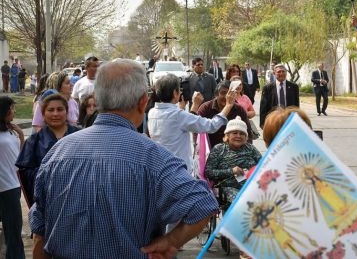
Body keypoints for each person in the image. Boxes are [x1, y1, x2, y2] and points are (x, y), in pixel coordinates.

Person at [28, 59, 218, 259]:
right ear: (143, 102)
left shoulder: (58, 153)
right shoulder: (154, 157)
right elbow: (203, 204)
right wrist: (171, 242)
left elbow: (39, 230)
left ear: (97, 99)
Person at [148, 74, 236, 173]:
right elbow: (211, 126)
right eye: (179, 89)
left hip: (160, 167)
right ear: (175, 92)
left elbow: (174, 124)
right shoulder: (178, 115)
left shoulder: (152, 112)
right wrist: (228, 105)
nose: (181, 92)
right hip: (178, 171)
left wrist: (193, 106)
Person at [17, 93, 81, 206]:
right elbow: (25, 174)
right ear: (43, 114)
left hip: (78, 198)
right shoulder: (33, 142)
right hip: (48, 201)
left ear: (66, 112)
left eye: (60, 109)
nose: (55, 114)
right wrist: (52, 172)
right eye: (50, 110)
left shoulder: (81, 136)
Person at [205, 116, 261, 204]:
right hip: (228, 188)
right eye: (235, 133)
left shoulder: (250, 148)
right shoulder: (219, 149)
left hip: (251, 186)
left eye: (242, 133)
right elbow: (209, 172)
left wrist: (253, 172)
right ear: (227, 135)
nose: (238, 136)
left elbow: (263, 165)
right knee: (241, 202)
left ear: (246, 136)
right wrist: (231, 171)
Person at [0, 96, 25, 259]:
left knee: (13, 230)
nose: (14, 111)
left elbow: (19, 157)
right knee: (14, 231)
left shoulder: (10, 129)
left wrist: (21, 136)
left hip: (14, 185)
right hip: (5, 187)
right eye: (12, 108)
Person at [198, 80, 253, 148]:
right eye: (223, 93)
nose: (226, 96)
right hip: (210, 149)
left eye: (229, 93)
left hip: (234, 151)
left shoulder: (239, 109)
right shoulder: (205, 108)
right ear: (216, 94)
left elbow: (248, 133)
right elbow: (197, 132)